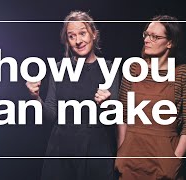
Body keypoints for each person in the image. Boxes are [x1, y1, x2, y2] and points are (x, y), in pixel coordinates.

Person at [26, 11, 119, 180]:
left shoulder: (110, 68)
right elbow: (51, 115)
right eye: (72, 36)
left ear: (94, 34)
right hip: (60, 152)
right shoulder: (59, 68)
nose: (78, 41)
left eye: (82, 33)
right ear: (67, 41)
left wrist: (108, 104)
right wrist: (36, 98)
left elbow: (116, 118)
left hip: (95, 151)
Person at [115, 15, 186, 180]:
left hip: (163, 160)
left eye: (155, 36)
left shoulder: (183, 73)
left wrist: (174, 160)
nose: (147, 40)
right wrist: (121, 151)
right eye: (146, 34)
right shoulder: (133, 69)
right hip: (131, 158)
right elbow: (122, 114)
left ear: (170, 42)